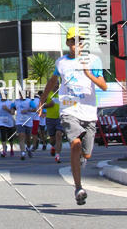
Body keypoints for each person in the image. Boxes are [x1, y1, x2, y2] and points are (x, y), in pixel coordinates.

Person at [40, 27, 107, 205]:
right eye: (72, 41)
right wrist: (41, 102)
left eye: (79, 41)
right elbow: (51, 82)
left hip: (89, 112)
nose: (76, 45)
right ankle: (78, 187)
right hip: (69, 110)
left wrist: (89, 74)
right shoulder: (61, 63)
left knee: (87, 154)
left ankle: (82, 160)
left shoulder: (94, 60)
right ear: (68, 43)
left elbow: (104, 86)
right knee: (75, 143)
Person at [44, 87, 63, 163]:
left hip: (60, 118)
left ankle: (57, 155)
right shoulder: (47, 94)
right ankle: (53, 146)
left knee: (59, 134)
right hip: (50, 118)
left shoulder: (62, 94)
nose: (56, 86)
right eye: (54, 84)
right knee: (52, 139)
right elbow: (41, 105)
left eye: (57, 85)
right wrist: (48, 105)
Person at [0, 91, 15, 158]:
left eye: (5, 95)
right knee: (3, 135)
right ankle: (4, 150)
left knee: (10, 137)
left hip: (9, 122)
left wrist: (7, 109)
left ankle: (12, 149)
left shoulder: (10, 103)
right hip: (1, 122)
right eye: (2, 95)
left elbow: (13, 113)